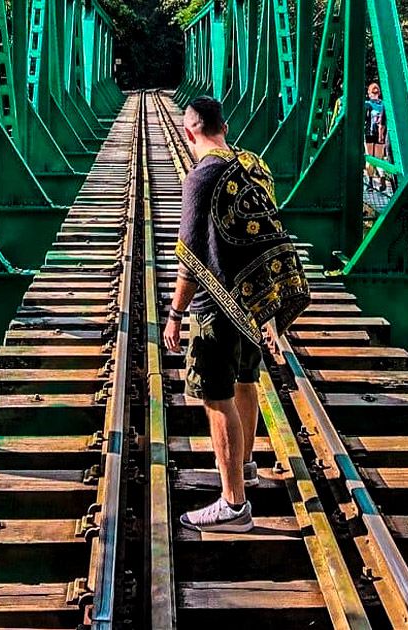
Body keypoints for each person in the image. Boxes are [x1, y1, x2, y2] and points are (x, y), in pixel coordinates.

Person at [164, 95, 311, 533]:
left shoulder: (200, 177)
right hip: (256, 297)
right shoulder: (254, 164)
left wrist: (175, 313)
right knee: (247, 380)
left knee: (215, 395)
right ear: (224, 127)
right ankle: (244, 467)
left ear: (190, 132)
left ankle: (233, 506)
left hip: (218, 304)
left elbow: (190, 257)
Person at [364, 83, 389, 191]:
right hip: (381, 135)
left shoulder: (367, 104)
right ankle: (381, 178)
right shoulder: (384, 104)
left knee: (370, 158)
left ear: (369, 93)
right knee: (379, 158)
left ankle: (370, 182)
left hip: (370, 134)